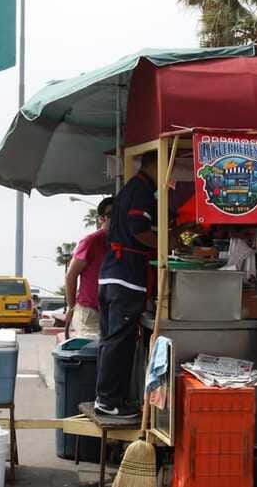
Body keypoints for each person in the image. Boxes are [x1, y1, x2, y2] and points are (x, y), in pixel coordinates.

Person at [94, 152, 158, 418]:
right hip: (126, 279)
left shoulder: (130, 188)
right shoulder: (141, 189)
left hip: (111, 276)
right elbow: (138, 229)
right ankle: (108, 401)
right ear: (156, 165)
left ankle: (109, 398)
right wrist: (167, 245)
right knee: (119, 342)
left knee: (111, 341)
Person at [64, 197, 113, 340]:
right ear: (101, 219)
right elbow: (71, 275)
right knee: (92, 354)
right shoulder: (91, 241)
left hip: (114, 312)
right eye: (111, 214)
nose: (115, 218)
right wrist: (72, 307)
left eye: (119, 213)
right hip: (90, 312)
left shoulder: (125, 242)